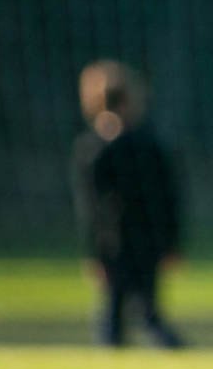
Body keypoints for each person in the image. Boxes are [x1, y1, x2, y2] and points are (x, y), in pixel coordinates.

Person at [73, 61, 185, 348]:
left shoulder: (93, 149)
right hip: (144, 241)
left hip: (115, 243)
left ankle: (115, 364)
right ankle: (178, 354)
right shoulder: (150, 144)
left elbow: (91, 209)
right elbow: (170, 199)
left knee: (116, 316)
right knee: (144, 314)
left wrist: (94, 251)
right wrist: (172, 243)